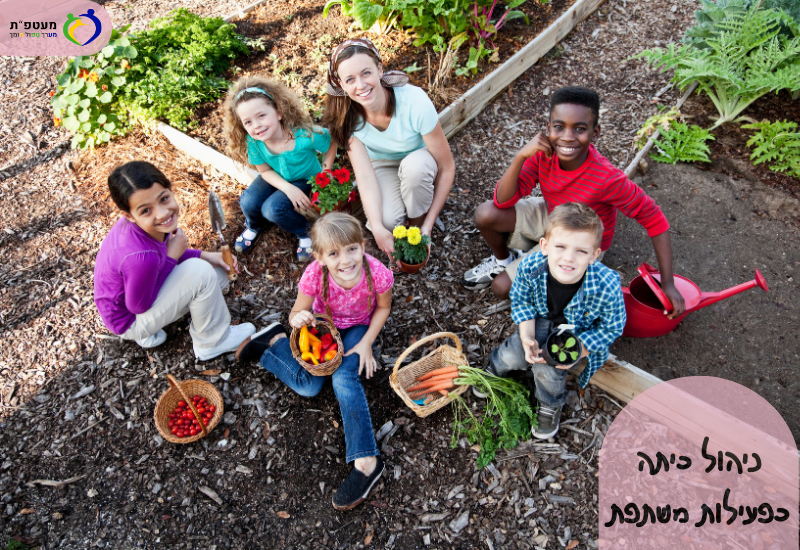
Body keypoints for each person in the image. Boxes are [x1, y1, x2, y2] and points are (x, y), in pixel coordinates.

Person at [461, 86, 686, 318]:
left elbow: (654, 218)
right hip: (553, 215)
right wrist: (520, 156)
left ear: (594, 133)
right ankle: (504, 260)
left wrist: (667, 282)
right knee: (485, 214)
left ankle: (561, 288)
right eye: (559, 127)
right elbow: (502, 201)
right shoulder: (542, 155)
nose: (567, 136)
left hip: (579, 237)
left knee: (502, 288)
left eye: (579, 129)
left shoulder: (606, 179)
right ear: (548, 129)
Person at [235, 213, 393, 510]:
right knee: (309, 387)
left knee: (344, 377)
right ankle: (273, 345)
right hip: (322, 326)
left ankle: (367, 462)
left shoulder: (378, 273)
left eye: (351, 249)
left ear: (362, 246)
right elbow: (296, 314)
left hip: (359, 326)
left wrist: (366, 343)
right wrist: (298, 319)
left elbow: (383, 308)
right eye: (334, 253)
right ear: (320, 257)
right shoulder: (313, 276)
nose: (345, 260)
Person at [479, 203, 626, 439]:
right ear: (545, 246)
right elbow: (522, 302)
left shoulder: (607, 284)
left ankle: (549, 403)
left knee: (548, 371)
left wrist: (579, 350)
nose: (569, 258)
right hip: (537, 321)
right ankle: (496, 366)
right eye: (561, 247)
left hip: (575, 333)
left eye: (581, 251)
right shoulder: (530, 267)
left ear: (594, 255)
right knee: (514, 353)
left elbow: (612, 326)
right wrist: (527, 336)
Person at [93, 161, 255, 360]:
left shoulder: (141, 228)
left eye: (163, 199)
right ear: (129, 215)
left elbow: (164, 255)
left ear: (170, 189)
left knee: (218, 274)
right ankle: (212, 342)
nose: (161, 213)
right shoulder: (141, 258)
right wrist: (173, 257)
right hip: (130, 320)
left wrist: (207, 256)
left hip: (126, 302)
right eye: (146, 210)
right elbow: (139, 306)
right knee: (202, 274)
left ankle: (151, 332)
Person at [322, 38, 455, 261]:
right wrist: (376, 227)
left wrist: (428, 225)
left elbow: (447, 167)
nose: (361, 85)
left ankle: (417, 222)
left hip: (419, 160)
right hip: (383, 165)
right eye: (350, 79)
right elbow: (364, 176)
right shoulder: (346, 118)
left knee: (415, 171)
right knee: (386, 223)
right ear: (341, 85)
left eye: (366, 73)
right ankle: (409, 209)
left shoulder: (414, 102)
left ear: (380, 69)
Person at [223, 76, 337, 261]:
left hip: (304, 178)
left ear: (278, 112)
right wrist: (287, 188)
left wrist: (326, 170)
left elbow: (331, 141)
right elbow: (265, 171)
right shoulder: (253, 142)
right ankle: (254, 225)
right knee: (248, 201)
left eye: (261, 116)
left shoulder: (303, 136)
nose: (257, 125)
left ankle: (305, 231)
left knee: (273, 209)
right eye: (248, 122)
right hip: (275, 176)